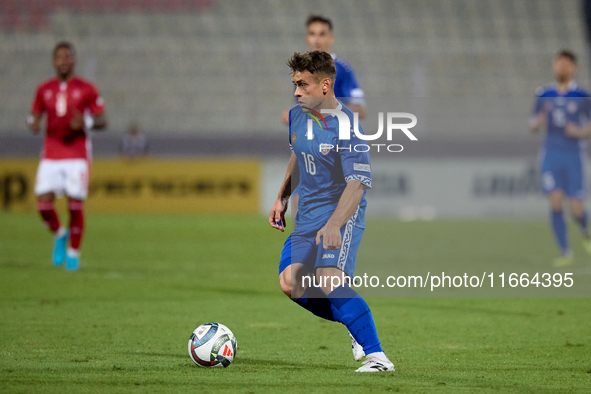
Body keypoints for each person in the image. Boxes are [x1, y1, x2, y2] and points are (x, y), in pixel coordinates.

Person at [269, 51, 394, 372]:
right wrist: (282, 197)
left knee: (328, 279)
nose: (296, 92)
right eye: (294, 84)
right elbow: (298, 155)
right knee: (289, 283)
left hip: (341, 214)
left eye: (303, 85)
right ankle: (354, 323)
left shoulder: (348, 126)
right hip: (307, 216)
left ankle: (378, 358)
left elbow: (358, 183)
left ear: (325, 85)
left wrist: (336, 224)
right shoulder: (298, 116)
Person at [27, 41, 107, 270]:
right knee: (43, 203)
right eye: (59, 57)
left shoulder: (87, 88)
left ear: (74, 60)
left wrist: (87, 122)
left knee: (75, 204)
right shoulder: (44, 89)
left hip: (77, 151)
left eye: (68, 56)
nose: (64, 61)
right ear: (54, 61)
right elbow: (34, 116)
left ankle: (74, 252)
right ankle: (60, 234)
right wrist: (33, 123)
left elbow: (103, 120)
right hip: (51, 150)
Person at [529, 50, 591, 267]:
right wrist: (537, 122)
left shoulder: (582, 96)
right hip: (551, 154)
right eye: (558, 63)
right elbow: (533, 124)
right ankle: (566, 252)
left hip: (573, 154)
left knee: (576, 208)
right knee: (555, 202)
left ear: (573, 68)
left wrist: (581, 132)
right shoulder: (544, 94)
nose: (561, 67)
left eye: (566, 64)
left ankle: (585, 229)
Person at [281, 14, 366, 125]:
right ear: (307, 39)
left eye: (322, 34)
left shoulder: (341, 69)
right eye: (312, 34)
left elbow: (360, 110)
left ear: (331, 38)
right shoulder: (302, 72)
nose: (317, 39)